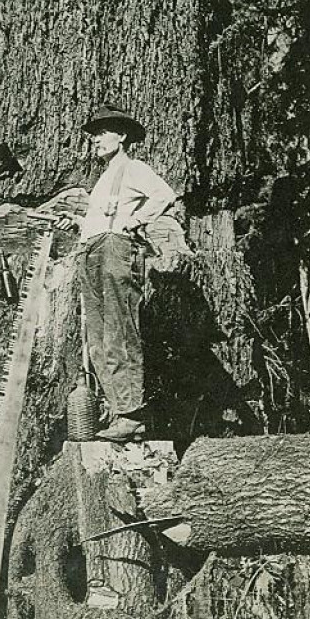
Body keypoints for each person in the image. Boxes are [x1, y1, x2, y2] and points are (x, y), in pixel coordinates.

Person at [59, 102, 179, 443]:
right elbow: (102, 220)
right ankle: (118, 411)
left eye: (102, 132)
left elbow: (164, 196)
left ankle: (131, 415)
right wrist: (79, 223)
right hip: (92, 250)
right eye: (94, 134)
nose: (96, 139)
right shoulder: (103, 179)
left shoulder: (134, 168)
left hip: (115, 251)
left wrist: (135, 222)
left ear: (122, 136)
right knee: (97, 337)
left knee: (119, 331)